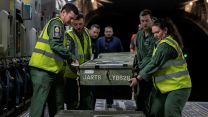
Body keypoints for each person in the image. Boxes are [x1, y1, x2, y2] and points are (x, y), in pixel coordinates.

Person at [129, 18, 192, 117]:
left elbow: (154, 64)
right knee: (155, 112)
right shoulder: (159, 43)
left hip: (178, 87)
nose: (155, 35)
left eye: (157, 32)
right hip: (164, 87)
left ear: (165, 30)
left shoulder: (166, 45)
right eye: (153, 33)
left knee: (170, 112)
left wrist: (138, 78)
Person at [28, 3, 79, 117]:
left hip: (54, 72)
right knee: (39, 105)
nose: (72, 21)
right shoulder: (56, 24)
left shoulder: (62, 29)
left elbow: (59, 52)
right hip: (42, 70)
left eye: (73, 19)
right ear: (63, 12)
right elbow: (55, 45)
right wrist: (71, 57)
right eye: (71, 18)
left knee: (57, 104)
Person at [64, 13, 93, 110]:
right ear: (72, 24)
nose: (78, 27)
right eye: (75, 25)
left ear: (84, 22)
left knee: (86, 99)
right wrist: (76, 69)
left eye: (80, 24)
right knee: (72, 101)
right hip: (72, 74)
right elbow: (68, 55)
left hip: (85, 71)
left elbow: (88, 51)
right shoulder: (68, 35)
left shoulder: (86, 32)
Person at [132, 9, 156, 115]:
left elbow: (150, 57)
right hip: (140, 72)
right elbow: (138, 53)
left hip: (151, 73)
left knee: (148, 100)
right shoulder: (139, 34)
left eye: (147, 20)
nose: (144, 23)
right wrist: (135, 66)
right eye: (142, 21)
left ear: (151, 20)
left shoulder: (155, 35)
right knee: (139, 99)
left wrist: (140, 67)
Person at [96, 26, 124, 108]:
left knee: (111, 83)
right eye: (107, 31)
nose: (108, 33)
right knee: (102, 83)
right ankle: (101, 99)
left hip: (114, 65)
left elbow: (121, 52)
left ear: (113, 32)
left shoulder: (117, 40)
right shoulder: (99, 40)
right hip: (102, 65)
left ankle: (109, 102)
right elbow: (97, 53)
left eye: (110, 31)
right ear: (104, 32)